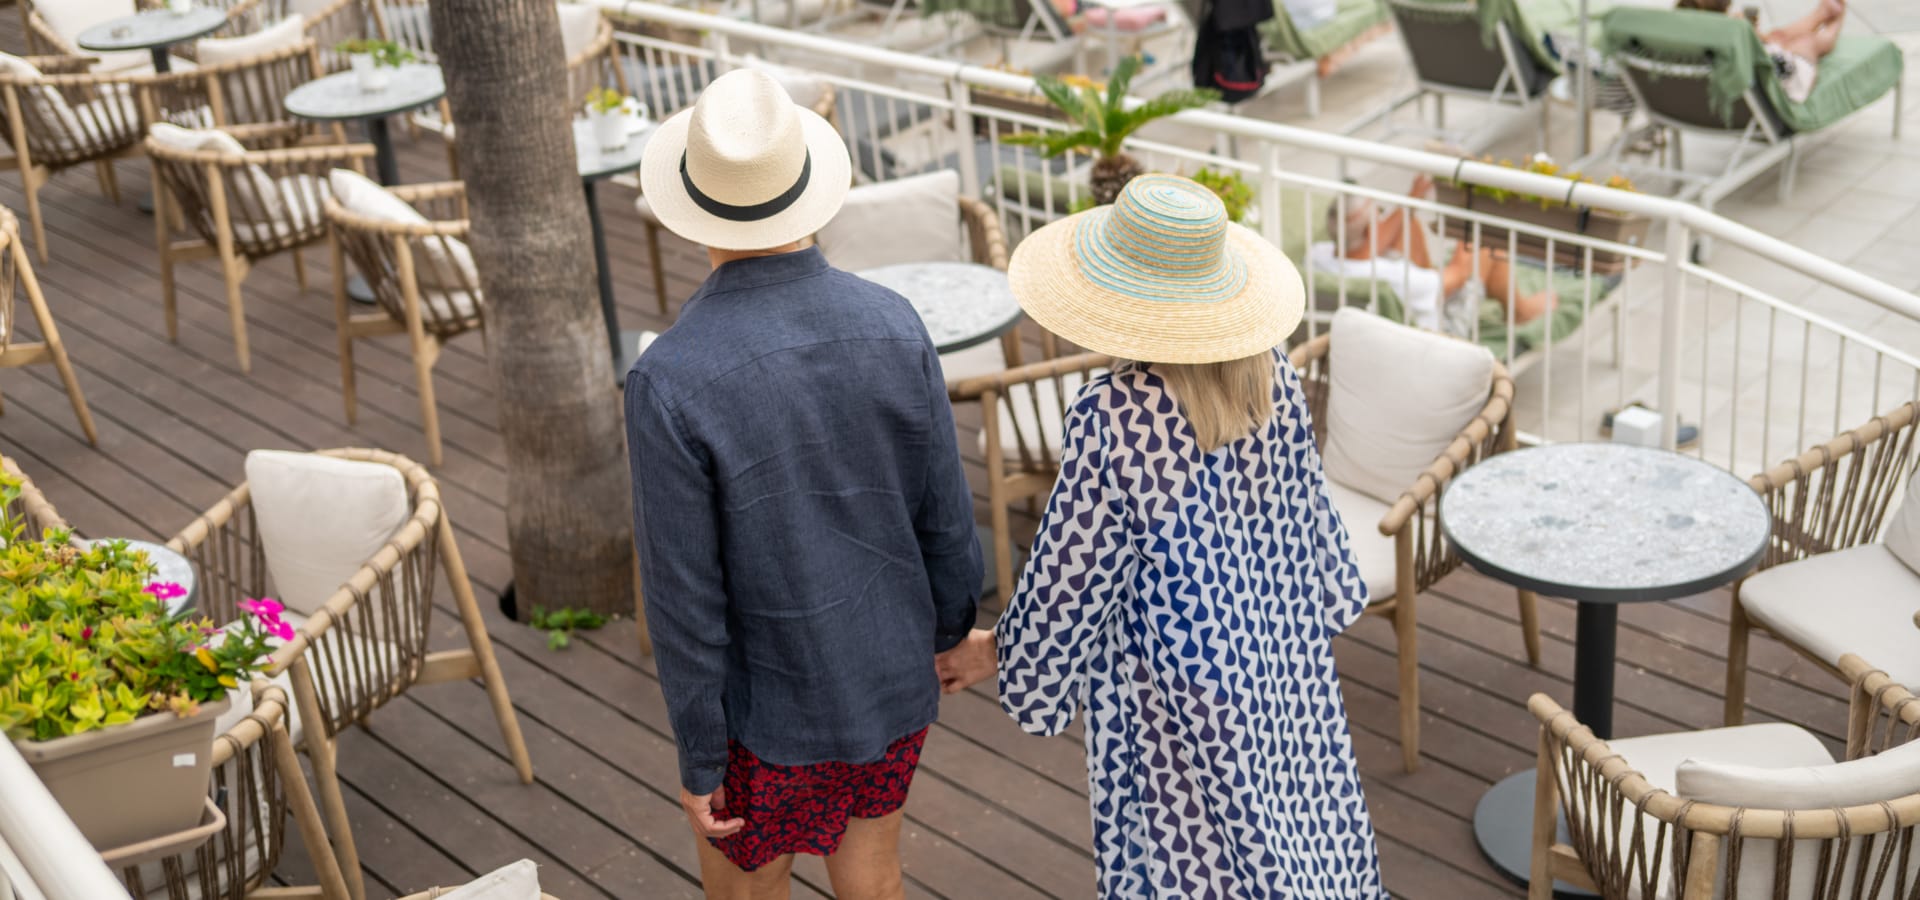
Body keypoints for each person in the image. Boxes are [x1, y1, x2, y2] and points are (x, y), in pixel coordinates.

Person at [933, 175, 1388, 897]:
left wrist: (1004, 658)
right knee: (1304, 843)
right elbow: (1314, 535)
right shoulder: (1268, 371)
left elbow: (1069, 581)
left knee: (1190, 864)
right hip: (1282, 666)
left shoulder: (1115, 413)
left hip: (1176, 701)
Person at [628, 69, 982, 900]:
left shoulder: (670, 378)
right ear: (805, 195)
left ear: (694, 210)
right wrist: (953, 628)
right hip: (891, 683)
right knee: (876, 881)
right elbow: (947, 519)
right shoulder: (895, 320)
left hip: (764, 719)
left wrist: (700, 753)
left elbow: (684, 600)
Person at [1307, 174, 1556, 332]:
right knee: (1486, 246)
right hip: (1436, 332)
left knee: (1409, 227)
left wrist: (1412, 198)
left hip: (1379, 318)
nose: (1385, 217)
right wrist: (1468, 231)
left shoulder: (1316, 255)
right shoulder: (1392, 277)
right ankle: (1520, 311)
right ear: (1371, 231)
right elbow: (1457, 275)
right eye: (1380, 213)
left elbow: (1373, 242)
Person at [1678, 0, 1845, 102]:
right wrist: (1748, 34)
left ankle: (1821, 13)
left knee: (1775, 36)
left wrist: (1750, 34)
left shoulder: (1683, 37)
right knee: (1807, 42)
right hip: (1785, 80)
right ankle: (1837, 16)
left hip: (1758, 68)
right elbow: (1781, 69)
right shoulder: (1731, 37)